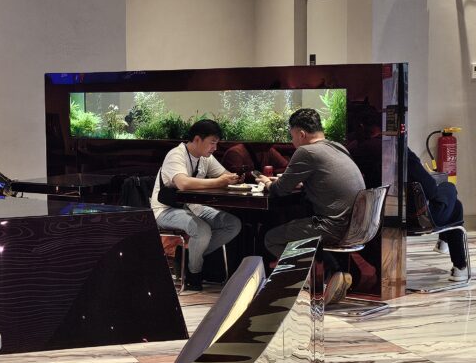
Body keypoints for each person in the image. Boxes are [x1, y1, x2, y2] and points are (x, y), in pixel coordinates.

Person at [257, 108, 364, 305]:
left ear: (301, 134)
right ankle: (331, 276)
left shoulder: (306, 151)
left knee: (271, 238)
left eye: (292, 136)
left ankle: (315, 281)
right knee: (299, 224)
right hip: (359, 225)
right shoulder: (338, 147)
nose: (292, 141)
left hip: (332, 227)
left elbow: (280, 190)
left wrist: (267, 183)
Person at [151, 119, 243, 292]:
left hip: (193, 207)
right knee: (201, 230)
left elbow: (224, 175)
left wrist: (235, 178)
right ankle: (194, 273)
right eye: (212, 143)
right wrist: (218, 182)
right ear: (197, 139)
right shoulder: (176, 154)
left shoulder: (205, 158)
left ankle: (186, 257)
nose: (214, 148)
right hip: (165, 210)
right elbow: (183, 183)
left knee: (232, 224)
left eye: (216, 143)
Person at [407, 148, 468, 281]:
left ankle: (455, 260)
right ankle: (459, 266)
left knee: (455, 206)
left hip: (386, 219)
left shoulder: (359, 151)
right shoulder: (405, 156)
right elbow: (431, 190)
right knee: (450, 189)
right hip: (420, 220)